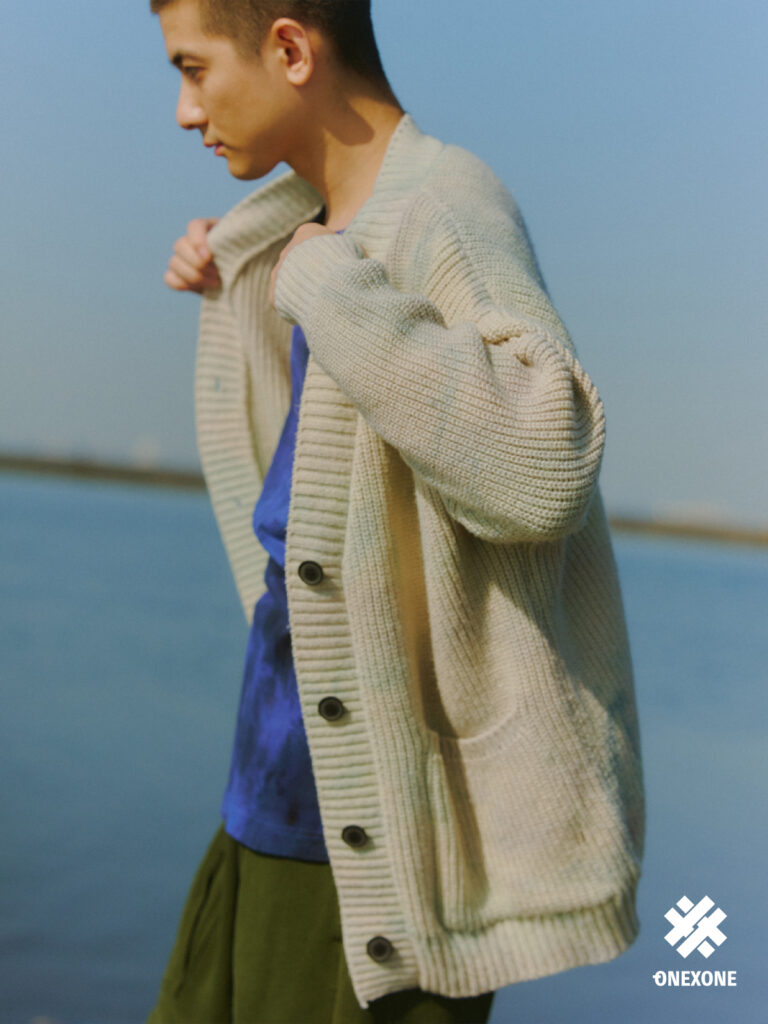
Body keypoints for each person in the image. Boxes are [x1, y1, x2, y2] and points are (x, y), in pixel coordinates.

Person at [146, 0, 646, 1021]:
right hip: (270, 804)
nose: (185, 111)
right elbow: (333, 489)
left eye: (193, 69)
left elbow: (542, 462)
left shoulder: (447, 206)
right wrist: (242, 277)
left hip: (392, 865)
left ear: (291, 49)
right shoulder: (319, 226)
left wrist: (316, 278)